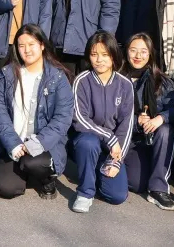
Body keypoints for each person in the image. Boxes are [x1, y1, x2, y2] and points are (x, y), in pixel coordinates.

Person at [0, 24, 73, 200]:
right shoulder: (6, 75)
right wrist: (12, 143)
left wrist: (36, 144)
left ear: (42, 45)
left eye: (31, 44)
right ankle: (23, 172)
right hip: (14, 145)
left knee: (34, 162)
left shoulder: (57, 77)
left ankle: (46, 180)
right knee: (7, 189)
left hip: (45, 145)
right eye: (21, 45)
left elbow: (63, 118)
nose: (26, 50)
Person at [69, 32, 134, 213]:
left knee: (117, 195)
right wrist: (109, 137)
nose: (99, 60)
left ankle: (96, 169)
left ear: (113, 56)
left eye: (105, 54)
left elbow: (127, 125)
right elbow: (79, 118)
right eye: (94, 54)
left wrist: (116, 161)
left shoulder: (125, 84)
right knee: (88, 142)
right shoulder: (81, 81)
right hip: (87, 141)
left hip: (112, 149)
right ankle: (85, 192)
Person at [120, 33, 174, 210]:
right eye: (133, 50)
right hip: (130, 140)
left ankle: (158, 189)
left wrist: (160, 118)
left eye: (143, 51)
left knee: (166, 130)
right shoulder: (117, 79)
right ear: (126, 52)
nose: (138, 56)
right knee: (136, 184)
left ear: (150, 54)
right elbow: (110, 113)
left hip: (154, 139)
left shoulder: (161, 80)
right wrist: (135, 120)